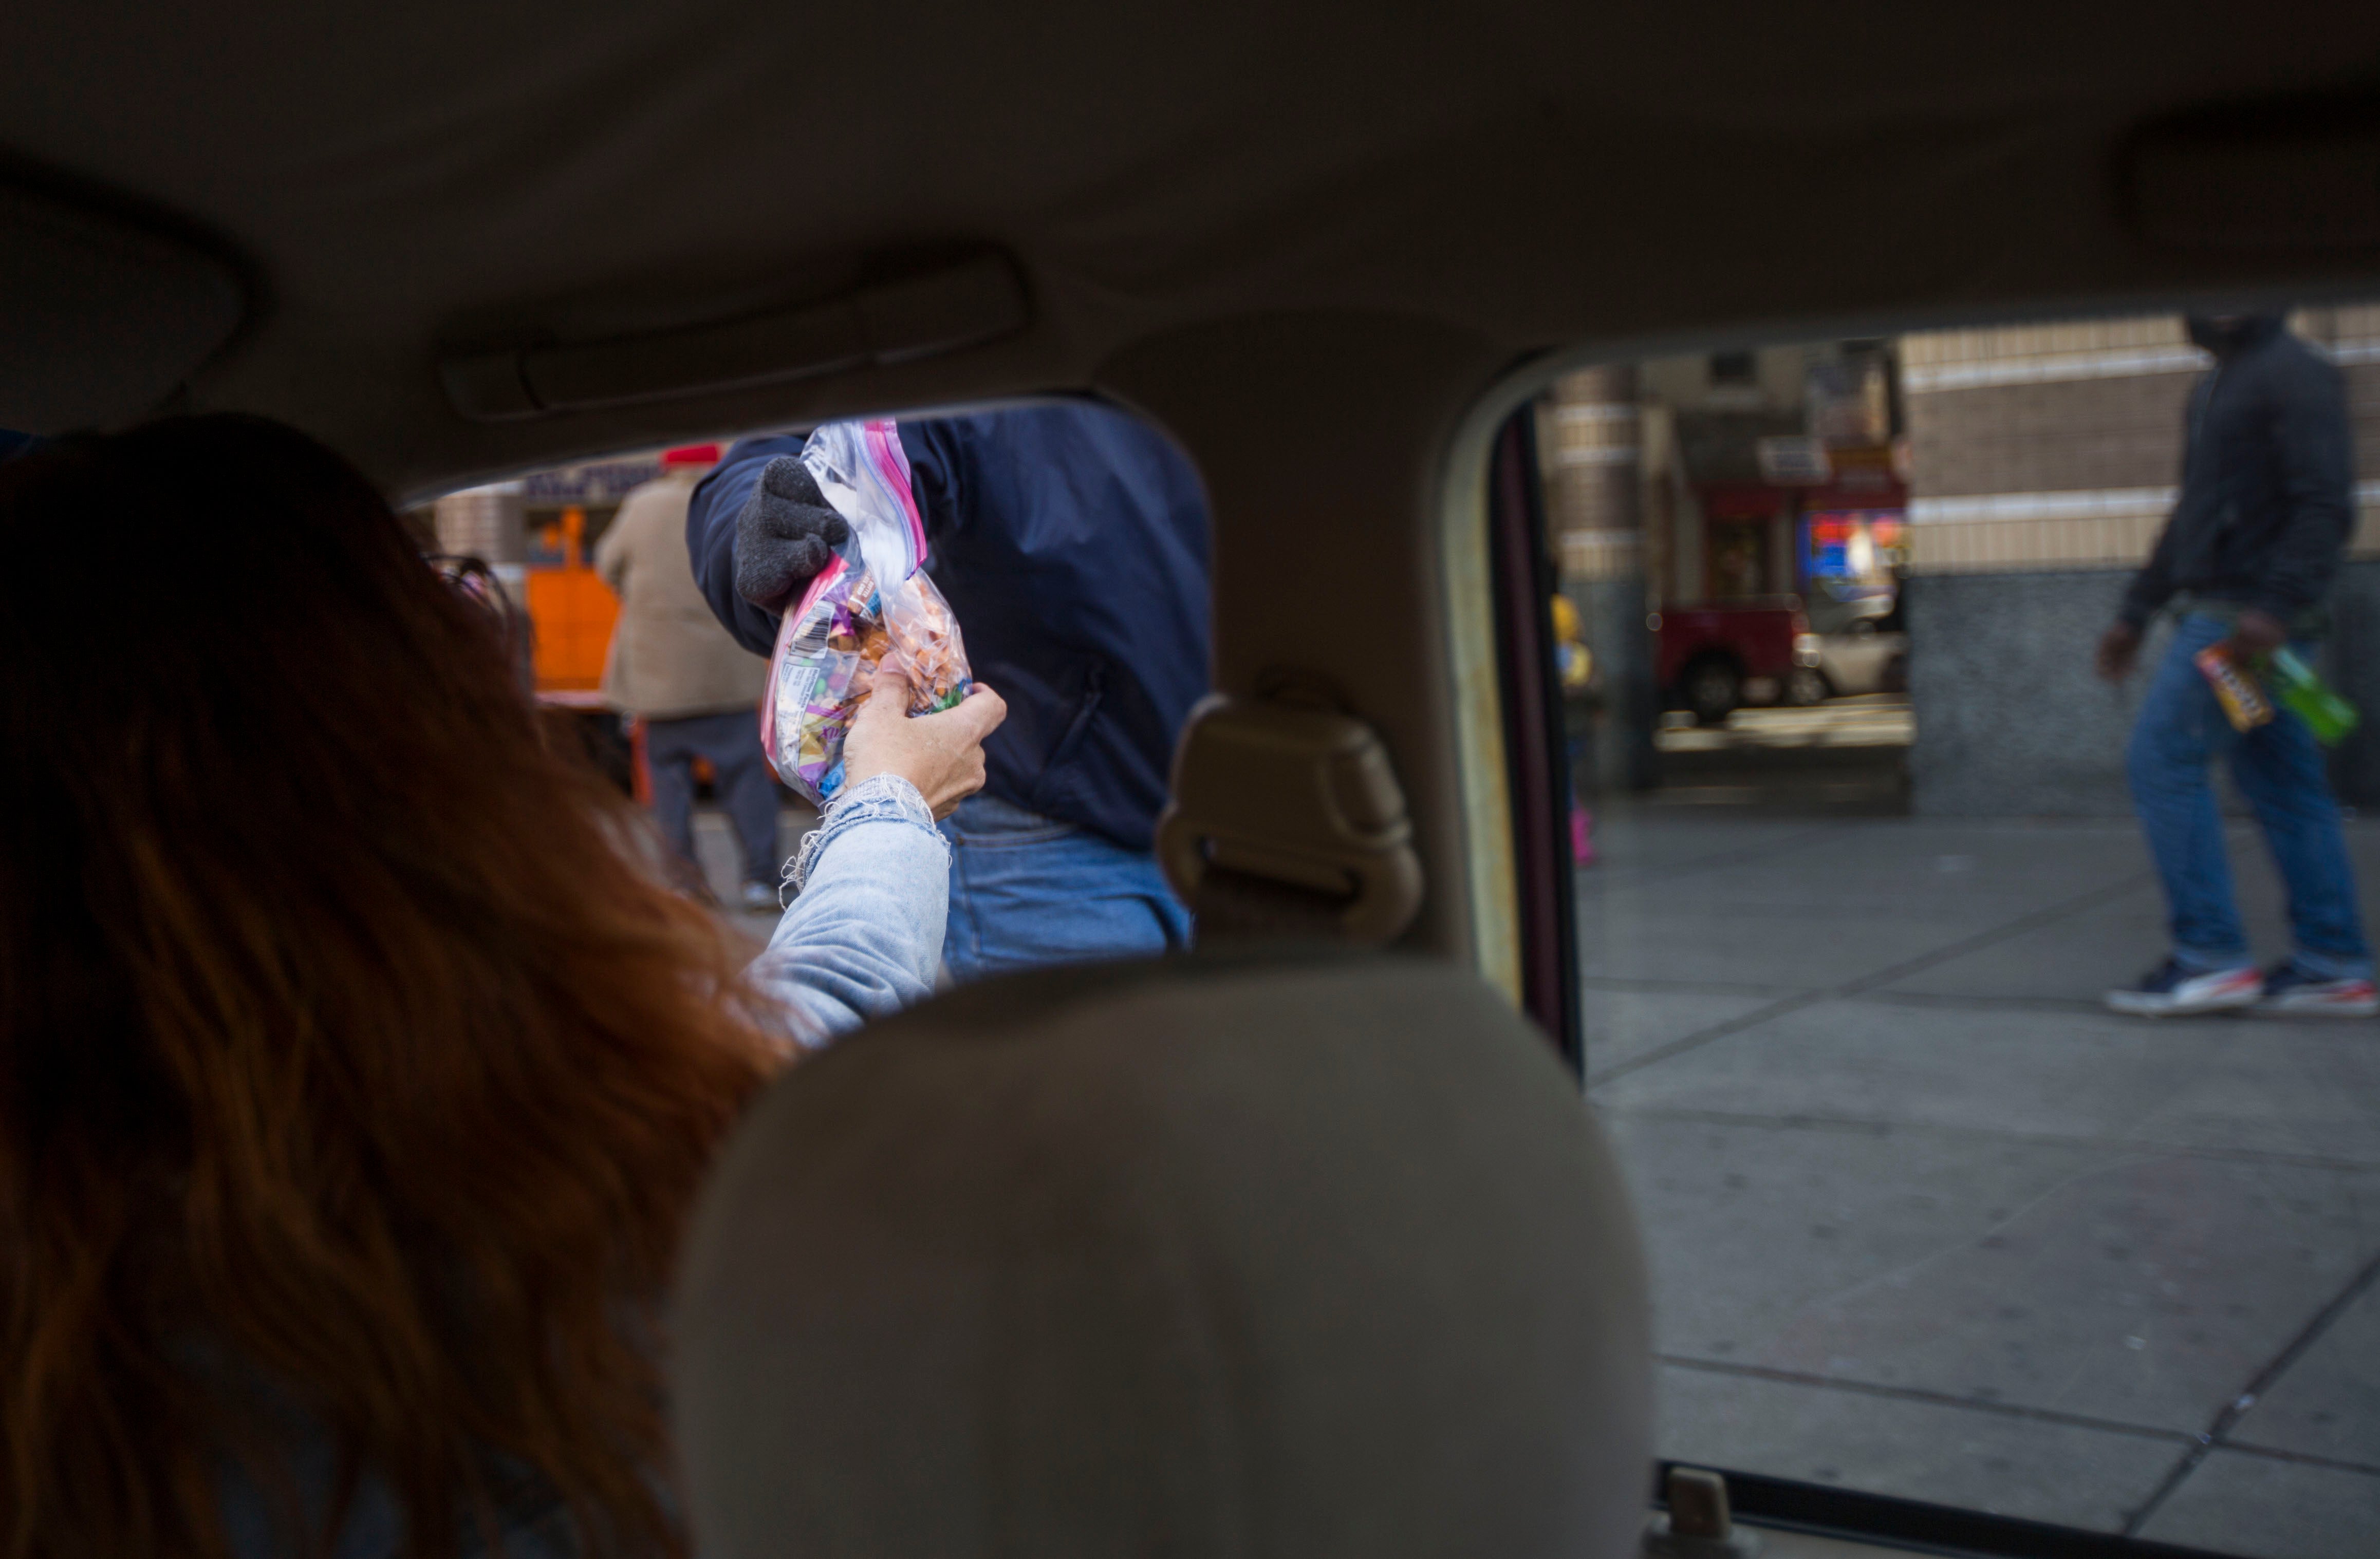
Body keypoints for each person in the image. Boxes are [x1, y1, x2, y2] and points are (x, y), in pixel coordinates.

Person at [0, 414, 1002, 1557]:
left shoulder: (82, 1344)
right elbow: (812, 1029)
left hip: (652, 699)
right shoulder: (570, 1192)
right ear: (427, 769)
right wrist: (885, 798)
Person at [688, 403, 1211, 981]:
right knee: (1082, 1072)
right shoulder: (971, 346)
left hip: (1269, 806)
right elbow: (784, 450)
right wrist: (764, 535)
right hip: (1044, 826)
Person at [2096, 310, 2375, 1017]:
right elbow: (2193, 511)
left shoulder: (2295, 373)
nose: (2199, 306)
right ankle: (2332, 963)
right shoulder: (2219, 385)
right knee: (2282, 780)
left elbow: (2325, 502)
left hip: (2241, 630)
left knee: (2163, 760)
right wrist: (2135, 612)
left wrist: (2274, 609)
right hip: (2243, 625)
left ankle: (2211, 956)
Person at [594, 443, 782, 912]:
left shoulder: (642, 505)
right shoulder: (734, 497)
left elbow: (606, 567)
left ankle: (685, 883)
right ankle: (761, 880)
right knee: (745, 781)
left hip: (661, 680)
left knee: (669, 785)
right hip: (729, 673)